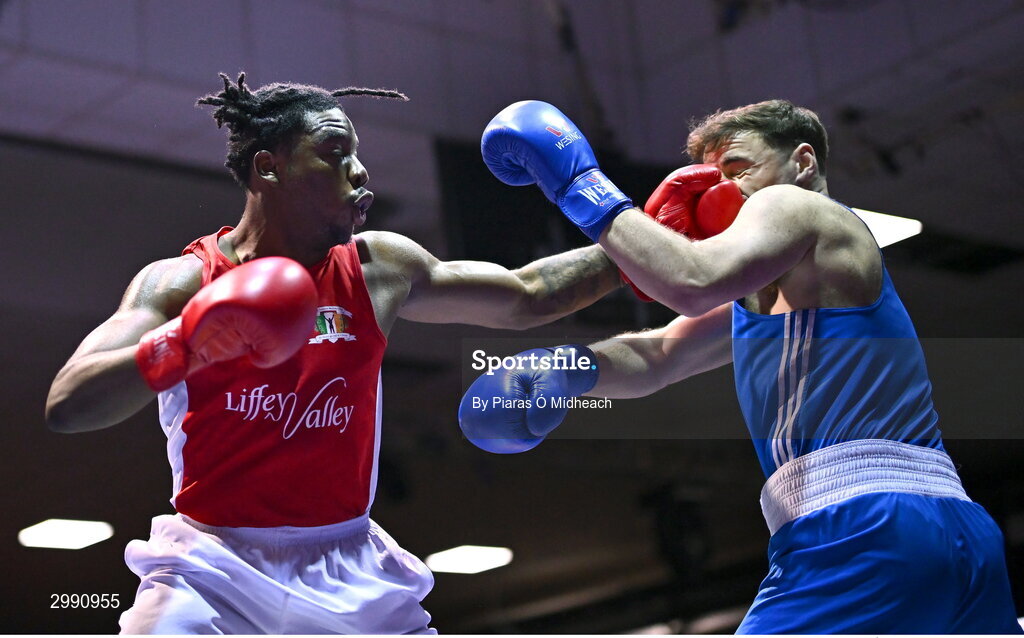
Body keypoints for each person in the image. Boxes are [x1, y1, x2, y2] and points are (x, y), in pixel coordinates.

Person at [44, 73, 627, 635]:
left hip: (354, 576)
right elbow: (69, 403)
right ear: (268, 166)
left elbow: (527, 296)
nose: (360, 171)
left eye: (357, 154)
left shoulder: (380, 268)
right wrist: (187, 342)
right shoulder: (183, 285)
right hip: (210, 572)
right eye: (333, 151)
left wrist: (649, 231)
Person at [459, 99, 1022, 633]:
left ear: (802, 162)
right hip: (958, 532)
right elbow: (660, 356)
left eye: (735, 167)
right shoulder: (778, 289)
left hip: (860, 528)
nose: (716, 188)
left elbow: (690, 281)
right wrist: (564, 368)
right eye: (706, 175)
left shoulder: (794, 205)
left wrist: (579, 182)